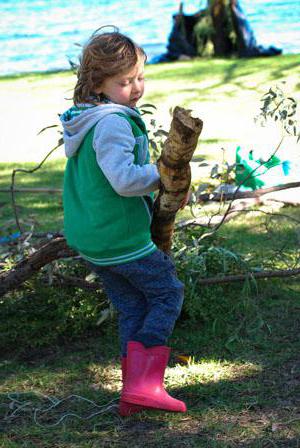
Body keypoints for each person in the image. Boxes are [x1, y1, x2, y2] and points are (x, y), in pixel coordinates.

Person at [60, 28, 187, 416]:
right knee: (167, 294)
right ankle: (144, 384)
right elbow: (125, 180)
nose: (135, 88)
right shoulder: (112, 123)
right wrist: (164, 173)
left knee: (132, 307)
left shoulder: (85, 119)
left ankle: (132, 393)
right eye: (124, 82)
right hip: (120, 239)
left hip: (94, 240)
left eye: (140, 78)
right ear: (99, 83)